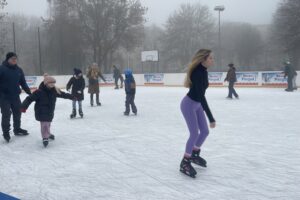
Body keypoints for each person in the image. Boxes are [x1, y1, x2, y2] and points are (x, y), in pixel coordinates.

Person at [180, 49, 216, 178]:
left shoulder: (204, 71)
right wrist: (211, 118)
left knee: (205, 131)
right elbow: (201, 96)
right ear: (203, 59)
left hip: (197, 104)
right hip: (189, 104)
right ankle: (185, 162)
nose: (213, 60)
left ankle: (194, 154)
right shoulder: (197, 73)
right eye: (211, 58)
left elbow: (201, 97)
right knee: (194, 133)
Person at [21, 75, 74, 147]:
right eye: (50, 83)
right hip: (41, 111)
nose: (52, 84)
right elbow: (29, 99)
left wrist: (72, 97)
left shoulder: (54, 91)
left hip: (50, 111)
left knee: (48, 124)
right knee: (44, 125)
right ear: (46, 83)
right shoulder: (39, 92)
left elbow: (63, 94)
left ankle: (48, 134)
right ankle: (45, 137)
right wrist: (23, 107)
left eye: (53, 83)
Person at [0, 52, 32, 142]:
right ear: (8, 59)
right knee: (6, 114)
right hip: (4, 97)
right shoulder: (1, 69)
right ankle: (6, 132)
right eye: (12, 58)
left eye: (15, 58)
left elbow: (23, 83)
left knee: (18, 112)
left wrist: (29, 92)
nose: (14, 60)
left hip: (15, 96)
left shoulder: (19, 70)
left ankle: (17, 129)